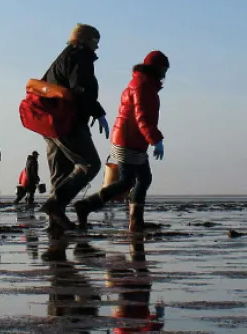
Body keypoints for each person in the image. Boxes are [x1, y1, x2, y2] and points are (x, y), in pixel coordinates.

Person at [72, 51, 169, 233]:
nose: (165, 74)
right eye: (164, 69)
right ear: (156, 68)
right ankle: (86, 206)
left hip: (132, 139)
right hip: (129, 140)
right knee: (127, 181)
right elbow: (142, 117)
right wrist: (156, 139)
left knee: (141, 179)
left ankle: (135, 220)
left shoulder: (142, 83)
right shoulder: (143, 85)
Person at [39, 24, 108, 232]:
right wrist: (98, 111)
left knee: (61, 173)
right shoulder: (79, 57)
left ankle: (55, 224)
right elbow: (80, 89)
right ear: (85, 40)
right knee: (90, 165)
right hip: (68, 122)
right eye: (95, 41)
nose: (97, 46)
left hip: (51, 126)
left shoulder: (60, 59)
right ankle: (56, 205)